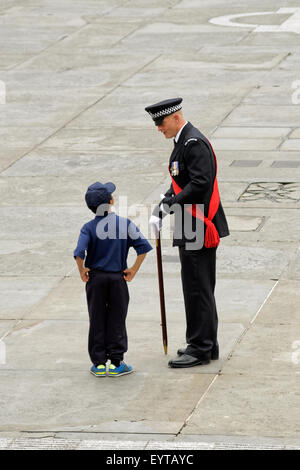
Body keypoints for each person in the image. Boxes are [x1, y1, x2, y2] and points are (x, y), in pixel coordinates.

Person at [146, 98, 229, 368]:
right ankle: (206, 343)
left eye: (161, 122)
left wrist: (170, 204)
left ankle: (200, 347)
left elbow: (200, 183)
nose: (158, 128)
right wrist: (165, 202)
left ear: (176, 117)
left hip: (198, 224)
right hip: (190, 222)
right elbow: (181, 180)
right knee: (198, 285)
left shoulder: (193, 144)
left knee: (196, 287)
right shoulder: (183, 141)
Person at [74, 182, 152, 377]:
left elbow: (79, 252)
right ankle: (117, 362)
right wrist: (133, 269)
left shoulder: (88, 228)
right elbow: (143, 247)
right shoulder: (125, 224)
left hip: (96, 279)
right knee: (117, 318)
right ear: (111, 201)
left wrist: (82, 270)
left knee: (97, 317)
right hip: (117, 278)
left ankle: (99, 363)